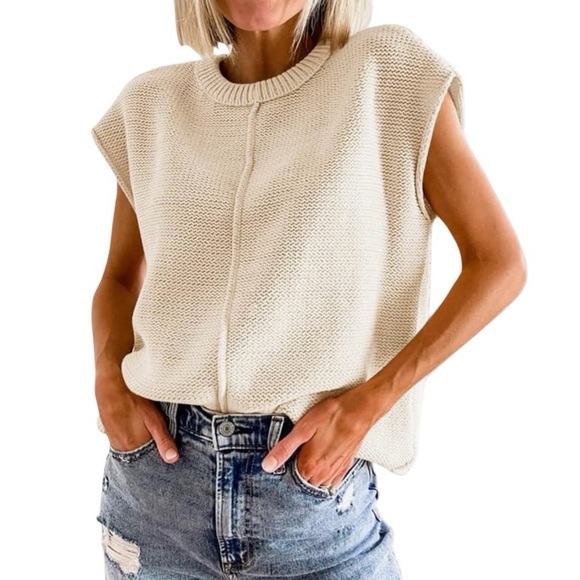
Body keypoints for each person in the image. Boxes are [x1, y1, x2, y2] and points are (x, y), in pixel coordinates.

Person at [90, 1, 527, 578]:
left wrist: (369, 404)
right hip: (155, 495)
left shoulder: (388, 75)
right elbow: (121, 278)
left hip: (311, 499)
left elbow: (498, 263)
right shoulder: (151, 105)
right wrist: (107, 376)